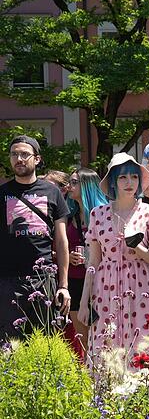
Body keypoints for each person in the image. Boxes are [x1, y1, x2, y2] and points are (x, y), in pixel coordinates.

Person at [78, 154, 149, 364]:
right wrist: (83, 302)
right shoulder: (97, 214)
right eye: (122, 177)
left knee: (144, 347)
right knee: (106, 349)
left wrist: (139, 249)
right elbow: (93, 263)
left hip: (142, 288)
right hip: (106, 290)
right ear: (113, 182)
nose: (129, 183)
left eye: (134, 177)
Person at [0, 136, 71, 340]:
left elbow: (61, 241)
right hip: (7, 282)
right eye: (14, 154)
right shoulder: (2, 193)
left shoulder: (52, 192)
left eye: (24, 154)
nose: (19, 159)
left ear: (37, 159)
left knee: (46, 343)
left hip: (43, 280)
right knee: (8, 348)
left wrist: (63, 286)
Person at [64, 168, 108, 357]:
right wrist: (67, 255)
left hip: (99, 281)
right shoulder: (68, 216)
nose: (69, 186)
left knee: (103, 335)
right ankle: (87, 379)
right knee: (82, 338)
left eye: (74, 182)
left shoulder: (103, 214)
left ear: (87, 186)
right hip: (75, 280)